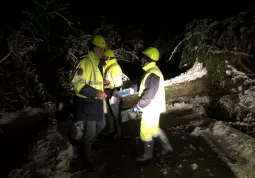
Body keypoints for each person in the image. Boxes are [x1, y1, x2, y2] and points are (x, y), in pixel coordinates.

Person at [127, 47, 173, 162]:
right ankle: (167, 147)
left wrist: (136, 108)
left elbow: (148, 95)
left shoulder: (152, 74)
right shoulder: (152, 71)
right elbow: (143, 86)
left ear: (148, 59)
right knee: (153, 130)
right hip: (153, 108)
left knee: (146, 132)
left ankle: (147, 155)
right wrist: (128, 90)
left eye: (143, 58)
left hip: (150, 109)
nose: (141, 61)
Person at [71, 34, 108, 170]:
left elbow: (93, 81)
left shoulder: (97, 64)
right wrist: (97, 93)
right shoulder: (85, 62)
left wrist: (104, 83)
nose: (103, 52)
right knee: (91, 132)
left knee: (102, 124)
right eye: (101, 49)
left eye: (103, 50)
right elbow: (77, 83)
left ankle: (88, 143)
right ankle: (88, 158)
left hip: (96, 104)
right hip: (88, 104)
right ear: (94, 48)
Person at [103, 49, 123, 138]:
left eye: (104, 57)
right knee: (110, 113)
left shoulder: (115, 67)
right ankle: (111, 129)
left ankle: (119, 132)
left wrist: (113, 96)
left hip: (114, 92)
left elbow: (118, 85)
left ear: (108, 57)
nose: (102, 58)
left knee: (116, 113)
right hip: (107, 91)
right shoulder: (106, 66)